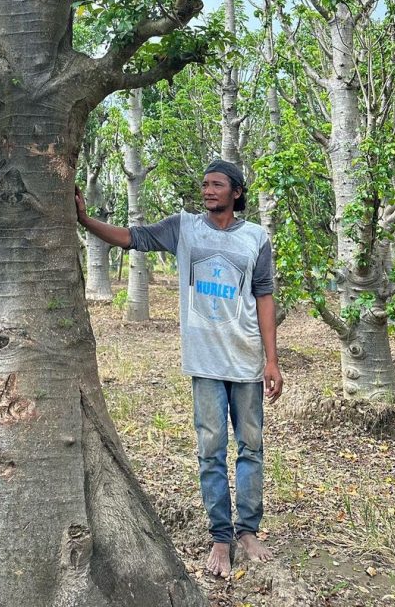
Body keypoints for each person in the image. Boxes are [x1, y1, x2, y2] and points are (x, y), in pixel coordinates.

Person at [75, 159, 283, 578]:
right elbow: (130, 238)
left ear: (236, 192)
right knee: (210, 453)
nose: (208, 190)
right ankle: (221, 537)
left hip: (245, 362)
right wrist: (83, 218)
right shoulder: (184, 227)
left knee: (250, 450)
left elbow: (263, 297)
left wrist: (272, 359)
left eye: (217, 184)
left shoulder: (256, 238)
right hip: (204, 363)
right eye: (204, 184)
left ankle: (249, 531)